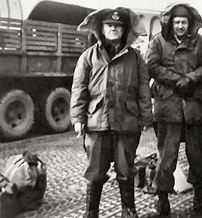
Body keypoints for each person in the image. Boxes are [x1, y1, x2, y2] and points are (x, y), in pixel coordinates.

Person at [70, 7, 153, 218]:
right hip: (97, 123)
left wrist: (145, 117)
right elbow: (78, 89)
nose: (114, 29)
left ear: (124, 30)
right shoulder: (88, 56)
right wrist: (78, 118)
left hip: (127, 122)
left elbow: (144, 89)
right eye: (110, 25)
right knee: (95, 172)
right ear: (102, 28)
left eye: (118, 26)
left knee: (126, 170)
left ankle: (129, 211)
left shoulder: (135, 58)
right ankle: (91, 212)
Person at [146, 3, 202, 216]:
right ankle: (162, 200)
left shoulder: (199, 41)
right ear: (170, 23)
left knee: (197, 155)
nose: (181, 26)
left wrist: (190, 79)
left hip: (194, 108)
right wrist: (177, 80)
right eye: (177, 22)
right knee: (166, 156)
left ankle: (200, 198)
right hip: (168, 107)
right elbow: (152, 66)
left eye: (184, 22)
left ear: (189, 23)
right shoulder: (157, 41)